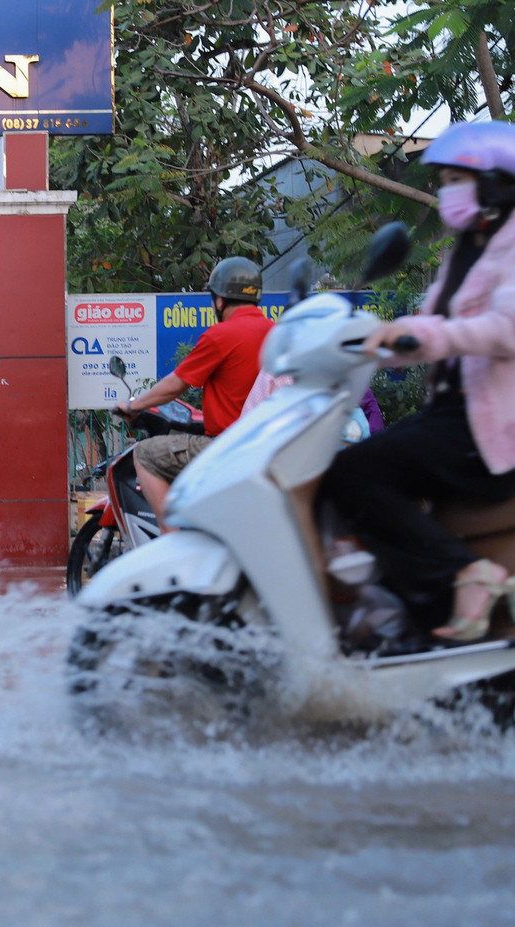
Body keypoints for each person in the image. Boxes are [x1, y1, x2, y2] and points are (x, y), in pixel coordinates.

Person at [322, 120, 515, 642]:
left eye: (458, 179)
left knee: (352, 474)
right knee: (338, 472)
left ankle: (468, 572)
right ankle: (404, 615)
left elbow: (504, 328)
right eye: (445, 180)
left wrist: (421, 339)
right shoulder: (466, 251)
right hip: (452, 417)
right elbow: (426, 329)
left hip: (491, 429)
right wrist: (375, 341)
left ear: (496, 184)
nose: (446, 192)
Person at [115, 256, 274, 529]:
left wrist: (135, 404)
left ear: (220, 300)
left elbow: (176, 385)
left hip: (227, 446)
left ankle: (171, 543)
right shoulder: (276, 331)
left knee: (145, 454)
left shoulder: (221, 335)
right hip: (266, 446)